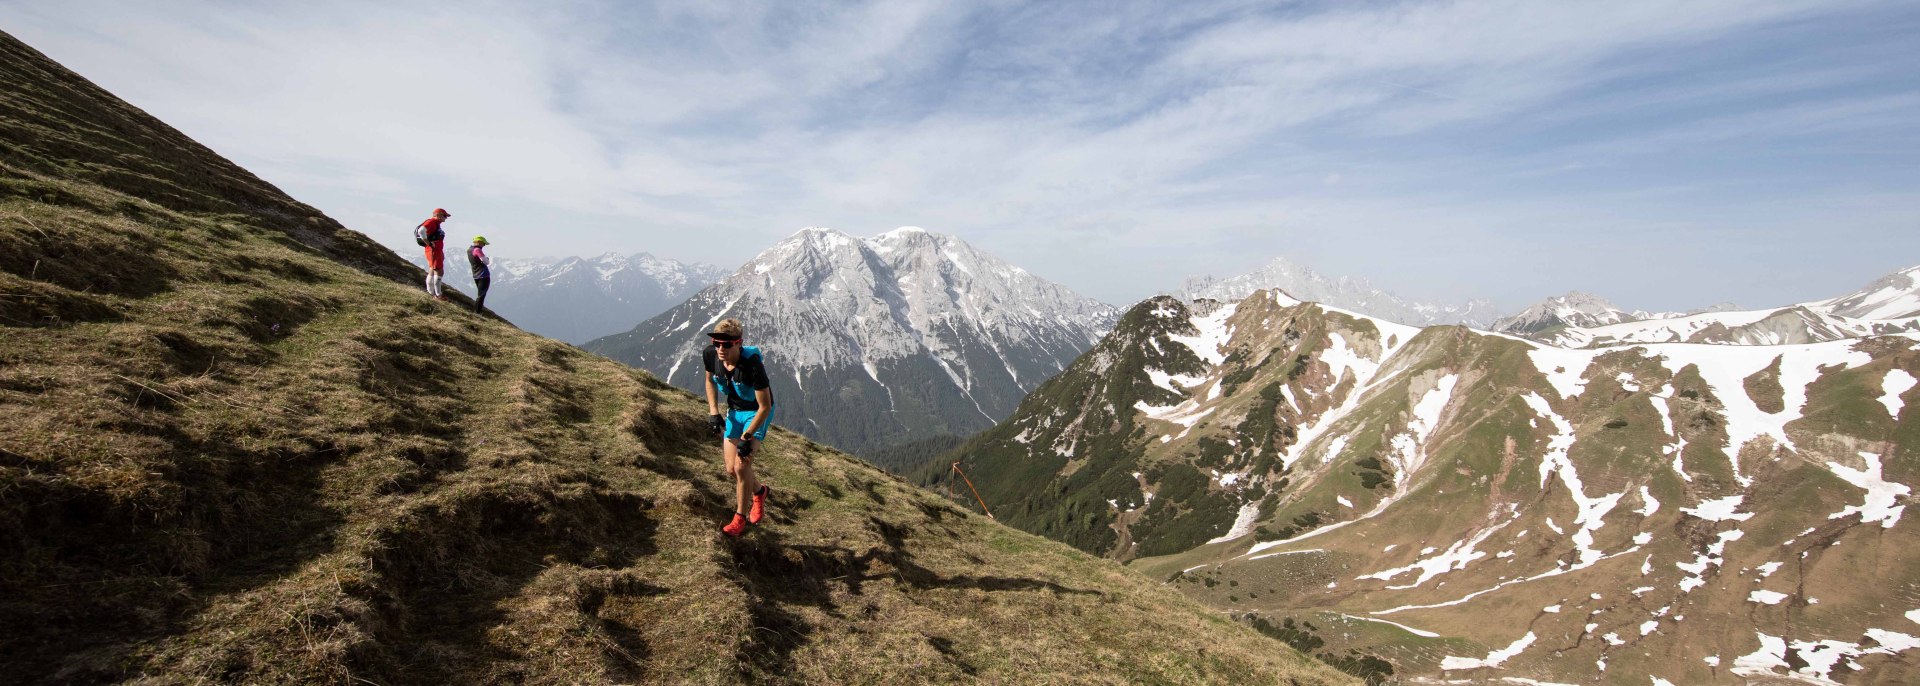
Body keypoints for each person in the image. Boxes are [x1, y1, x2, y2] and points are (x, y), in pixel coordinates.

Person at [703, 318, 774, 537]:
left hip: (756, 413)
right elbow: (709, 381)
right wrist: (714, 412)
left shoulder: (752, 364)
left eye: (727, 344)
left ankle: (739, 519)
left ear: (739, 343)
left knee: (742, 467)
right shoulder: (710, 355)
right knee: (730, 469)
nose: (720, 349)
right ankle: (760, 492)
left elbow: (766, 405)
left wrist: (747, 435)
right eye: (717, 343)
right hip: (734, 410)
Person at [416, 208, 451, 301]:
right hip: (433, 250)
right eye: (444, 216)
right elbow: (421, 230)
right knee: (439, 271)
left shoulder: (435, 223)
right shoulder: (431, 222)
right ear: (438, 215)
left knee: (432, 270)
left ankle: (431, 293)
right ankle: (438, 295)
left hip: (434, 250)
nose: (446, 218)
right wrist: (429, 243)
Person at [468, 235, 492, 313]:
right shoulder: (477, 250)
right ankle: (477, 311)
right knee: (482, 294)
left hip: (475, 274)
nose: (484, 245)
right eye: (483, 243)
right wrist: (486, 259)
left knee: (480, 293)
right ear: (479, 242)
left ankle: (477, 310)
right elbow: (486, 262)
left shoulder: (469, 250)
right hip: (483, 274)